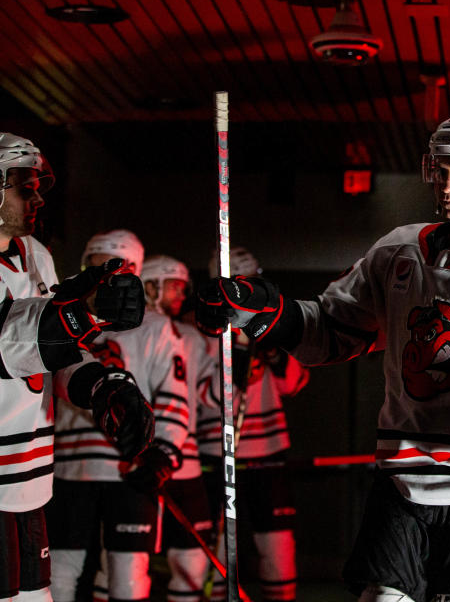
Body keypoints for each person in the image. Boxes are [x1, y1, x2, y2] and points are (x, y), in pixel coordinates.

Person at [196, 113, 450, 602]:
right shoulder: (396, 252)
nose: (447, 185)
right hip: (400, 480)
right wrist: (266, 313)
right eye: (441, 169)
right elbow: (330, 332)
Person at [0, 133, 153, 601]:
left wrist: (104, 387)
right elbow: (7, 342)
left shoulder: (37, 255)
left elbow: (53, 355)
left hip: (31, 480)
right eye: (24, 185)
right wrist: (82, 313)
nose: (37, 195)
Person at [49, 231, 190, 602]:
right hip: (66, 469)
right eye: (96, 265)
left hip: (128, 467)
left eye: (120, 267)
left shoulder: (157, 328)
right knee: (59, 573)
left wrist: (163, 453)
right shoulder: (61, 322)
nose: (107, 275)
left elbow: (176, 398)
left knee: (128, 575)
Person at [197, 247, 306, 602]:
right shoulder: (201, 328)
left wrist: (273, 351)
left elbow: (293, 383)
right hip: (217, 451)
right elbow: (201, 396)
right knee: (214, 549)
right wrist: (231, 370)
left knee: (277, 548)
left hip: (268, 453)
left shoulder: (270, 326)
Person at [141, 255, 216, 602]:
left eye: (184, 288)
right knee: (125, 564)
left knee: (193, 562)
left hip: (184, 462)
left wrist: (238, 366)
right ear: (151, 284)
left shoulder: (192, 336)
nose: (181, 295)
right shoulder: (127, 329)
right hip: (133, 461)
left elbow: (209, 396)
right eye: (174, 286)